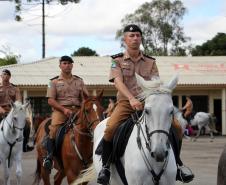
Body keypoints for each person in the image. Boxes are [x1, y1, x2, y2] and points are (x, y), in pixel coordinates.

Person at [97, 24, 194, 184]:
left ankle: (178, 164)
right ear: (125, 39)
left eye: (137, 35)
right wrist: (131, 98)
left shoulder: (150, 61)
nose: (135, 38)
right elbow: (118, 82)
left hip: (149, 102)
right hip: (126, 103)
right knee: (111, 128)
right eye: (131, 35)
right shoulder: (117, 60)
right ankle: (106, 167)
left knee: (176, 127)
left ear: (141, 38)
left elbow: (156, 83)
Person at [43, 55, 89, 172]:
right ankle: (49, 157)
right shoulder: (53, 82)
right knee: (53, 130)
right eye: (64, 63)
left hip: (78, 110)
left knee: (91, 127)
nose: (67, 65)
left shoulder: (79, 81)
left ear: (72, 65)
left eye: (69, 63)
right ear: (60, 65)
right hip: (61, 111)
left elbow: (85, 98)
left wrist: (83, 108)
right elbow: (50, 100)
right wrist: (64, 110)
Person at [0, 69, 34, 152]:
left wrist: (14, 112)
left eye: (7, 74)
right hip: (1, 112)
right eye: (3, 74)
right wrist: (2, 110)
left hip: (13, 112)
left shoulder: (15, 88)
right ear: (1, 76)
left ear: (10, 76)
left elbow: (18, 102)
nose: (5, 76)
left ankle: (24, 145)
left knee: (26, 124)